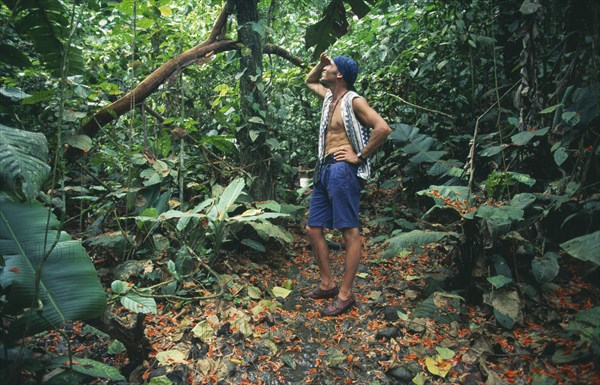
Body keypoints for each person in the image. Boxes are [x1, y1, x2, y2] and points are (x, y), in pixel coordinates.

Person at [303, 53, 392, 316]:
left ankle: (345, 293)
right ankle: (328, 283)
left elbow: (383, 128)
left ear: (339, 74)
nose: (324, 69)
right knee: (313, 227)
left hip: (343, 170)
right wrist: (321, 61)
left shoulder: (354, 100)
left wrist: (360, 155)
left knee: (348, 231)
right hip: (325, 168)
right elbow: (309, 80)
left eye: (329, 66)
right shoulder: (330, 97)